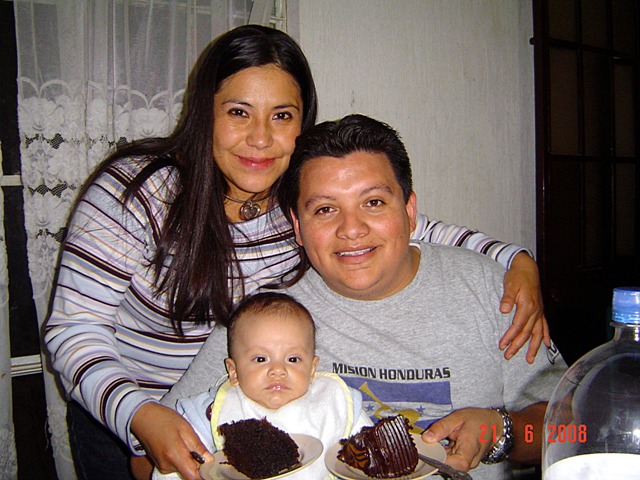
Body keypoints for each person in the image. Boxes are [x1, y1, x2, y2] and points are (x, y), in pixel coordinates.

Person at [44, 25, 546, 480]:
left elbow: (404, 229)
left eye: (282, 115)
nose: (260, 137)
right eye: (238, 112)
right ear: (205, 114)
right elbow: (74, 328)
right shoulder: (141, 193)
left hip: (244, 386)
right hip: (124, 402)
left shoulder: (300, 203)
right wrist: (138, 414)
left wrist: (515, 261)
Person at [165, 114, 568, 480]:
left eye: (373, 202)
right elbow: (155, 449)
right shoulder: (265, 316)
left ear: (409, 211)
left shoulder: (490, 290)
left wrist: (502, 431)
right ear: (298, 227)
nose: (351, 229)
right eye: (325, 209)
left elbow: (573, 427)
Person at [152, 291, 372, 480]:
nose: (278, 369)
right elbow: (175, 461)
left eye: (293, 359)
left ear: (312, 369)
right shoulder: (210, 412)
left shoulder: (333, 401)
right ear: (234, 371)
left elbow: (373, 453)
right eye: (260, 359)